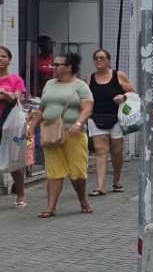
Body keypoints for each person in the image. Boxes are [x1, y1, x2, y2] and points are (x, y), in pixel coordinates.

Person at [31, 52, 94, 217]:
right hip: (51, 132)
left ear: (69, 67)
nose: (54, 68)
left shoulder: (80, 86)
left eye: (58, 65)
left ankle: (82, 199)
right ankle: (50, 207)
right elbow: (41, 109)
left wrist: (79, 123)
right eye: (54, 64)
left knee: (77, 172)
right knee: (54, 171)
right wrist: (30, 128)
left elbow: (87, 108)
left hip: (73, 133)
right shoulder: (49, 84)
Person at [86, 49, 135, 195]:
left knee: (117, 151)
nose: (98, 61)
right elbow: (85, 98)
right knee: (101, 151)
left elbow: (133, 92)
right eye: (96, 58)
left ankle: (117, 178)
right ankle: (100, 186)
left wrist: (123, 96)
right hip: (96, 117)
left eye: (102, 58)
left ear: (108, 60)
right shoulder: (89, 78)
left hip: (116, 118)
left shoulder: (118, 76)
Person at [0, 46, 28, 207]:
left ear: (9, 59)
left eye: (3, 56)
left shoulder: (15, 79)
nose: (0, 59)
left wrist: (7, 95)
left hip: (10, 123)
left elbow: (16, 97)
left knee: (13, 160)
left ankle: (21, 192)